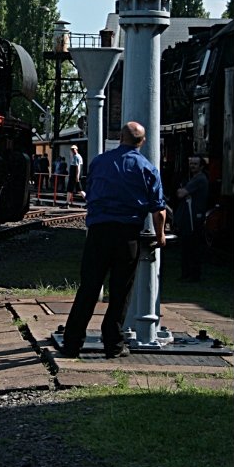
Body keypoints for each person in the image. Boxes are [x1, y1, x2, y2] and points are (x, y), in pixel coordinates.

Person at [60, 121, 167, 359]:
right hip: (127, 236)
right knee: (120, 293)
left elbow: (91, 188)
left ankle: (72, 344)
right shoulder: (147, 169)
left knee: (88, 288)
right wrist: (160, 236)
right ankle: (113, 344)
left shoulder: (99, 162)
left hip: (98, 232)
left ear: (121, 137)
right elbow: (158, 210)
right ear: (143, 142)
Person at [174, 156, 209, 282]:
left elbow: (180, 193)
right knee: (188, 246)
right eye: (191, 163)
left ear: (201, 166)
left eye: (195, 164)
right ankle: (188, 273)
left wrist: (182, 190)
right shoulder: (194, 179)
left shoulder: (199, 179)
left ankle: (191, 274)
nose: (192, 166)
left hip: (193, 218)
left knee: (191, 246)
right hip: (190, 216)